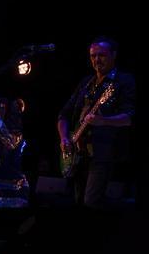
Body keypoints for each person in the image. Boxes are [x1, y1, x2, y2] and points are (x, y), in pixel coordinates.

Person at [57, 38, 136, 209]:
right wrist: (64, 138)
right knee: (76, 201)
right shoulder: (86, 83)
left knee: (91, 202)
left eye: (102, 55)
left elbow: (129, 118)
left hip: (103, 152)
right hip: (79, 153)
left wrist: (103, 121)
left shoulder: (123, 81)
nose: (96, 60)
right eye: (93, 56)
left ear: (113, 55)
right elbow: (63, 115)